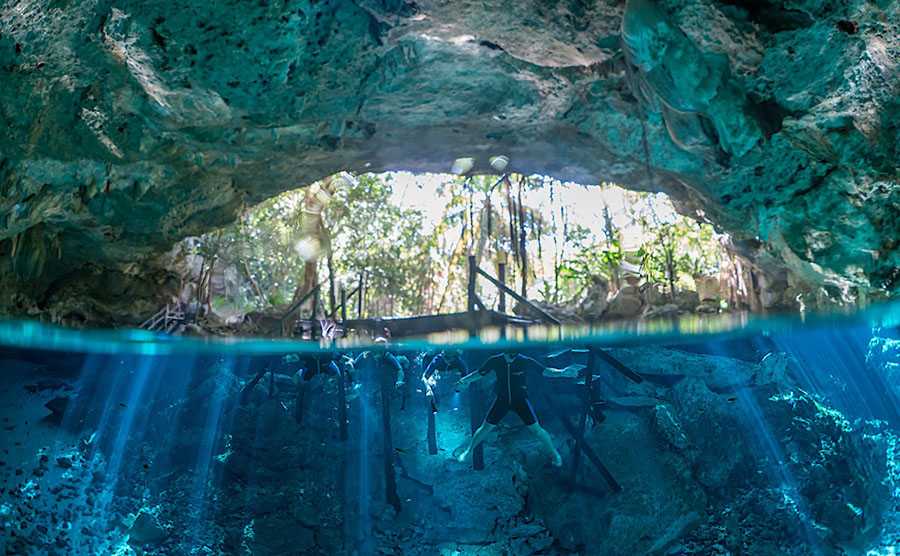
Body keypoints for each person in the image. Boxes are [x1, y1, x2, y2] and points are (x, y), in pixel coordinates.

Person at [454, 352, 562, 467]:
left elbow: (544, 371)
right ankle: (468, 451)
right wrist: (465, 380)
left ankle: (555, 454)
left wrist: (562, 372)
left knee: (536, 430)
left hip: (520, 400)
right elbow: (480, 373)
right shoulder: (495, 360)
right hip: (502, 400)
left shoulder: (524, 360)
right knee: (485, 428)